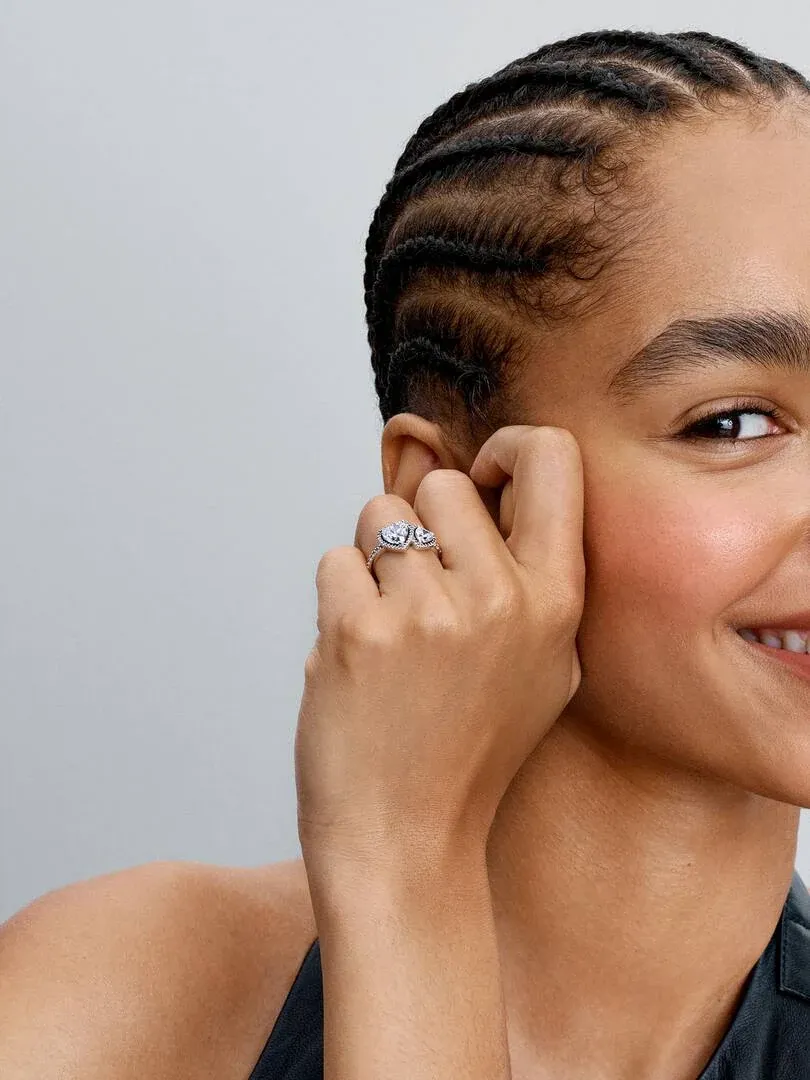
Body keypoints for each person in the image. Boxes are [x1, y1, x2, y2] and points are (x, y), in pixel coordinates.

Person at [3, 25, 810, 1080]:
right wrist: (399, 869)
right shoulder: (118, 1002)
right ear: (455, 492)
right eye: (734, 424)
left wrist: (400, 862)